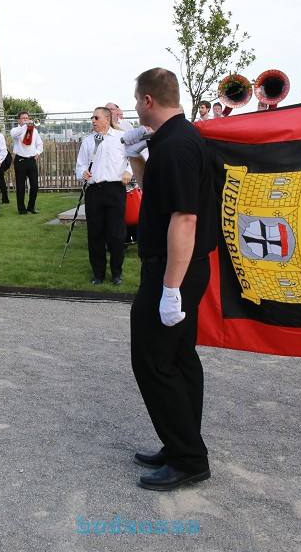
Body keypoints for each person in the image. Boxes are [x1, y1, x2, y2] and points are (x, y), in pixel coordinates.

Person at [124, 67, 218, 491]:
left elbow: (184, 218)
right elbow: (155, 195)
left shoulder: (178, 145)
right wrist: (135, 156)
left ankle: (188, 458)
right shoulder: (170, 141)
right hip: (178, 266)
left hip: (173, 267)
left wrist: (170, 289)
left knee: (153, 360)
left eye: (136, 98)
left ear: (147, 100)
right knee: (178, 358)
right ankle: (180, 441)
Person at [75, 107, 128, 285]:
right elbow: (80, 164)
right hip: (94, 191)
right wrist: (82, 172)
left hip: (115, 190)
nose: (93, 121)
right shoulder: (89, 141)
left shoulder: (121, 138)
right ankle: (98, 273)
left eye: (96, 118)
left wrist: (129, 172)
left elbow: (136, 156)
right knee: (95, 234)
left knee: (116, 234)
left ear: (107, 118)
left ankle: (116, 273)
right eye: (92, 118)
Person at [9, 112, 43, 214]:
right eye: (23, 118)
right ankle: (21, 209)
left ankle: (31, 207)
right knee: (20, 186)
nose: (25, 120)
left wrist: (37, 153)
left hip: (31, 160)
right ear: (18, 120)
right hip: (20, 160)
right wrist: (24, 126)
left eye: (27, 118)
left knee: (35, 185)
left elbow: (40, 144)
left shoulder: (34, 131)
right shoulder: (15, 130)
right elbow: (15, 135)